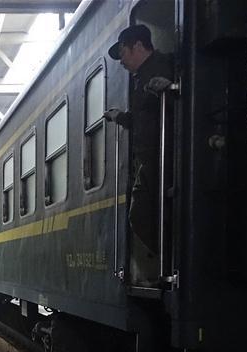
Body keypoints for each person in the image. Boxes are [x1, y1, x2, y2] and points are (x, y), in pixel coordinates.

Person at [104, 24, 173, 286]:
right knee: (145, 214)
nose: (121, 61)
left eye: (123, 52)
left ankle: (173, 263)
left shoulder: (164, 66)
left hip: (162, 158)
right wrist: (119, 117)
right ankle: (168, 261)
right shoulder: (142, 77)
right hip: (150, 159)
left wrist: (170, 88)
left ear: (139, 46)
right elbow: (144, 118)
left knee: (141, 215)